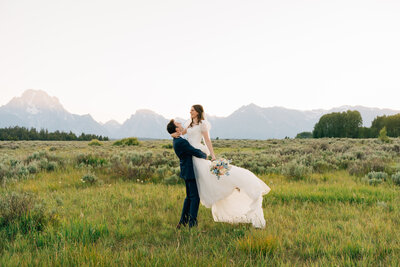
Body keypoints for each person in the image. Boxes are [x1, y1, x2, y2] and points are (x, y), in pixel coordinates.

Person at [171, 105, 271, 228]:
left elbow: (207, 140)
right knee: (192, 194)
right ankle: (188, 222)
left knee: (205, 185)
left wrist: (212, 155)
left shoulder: (202, 124)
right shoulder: (189, 124)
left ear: (197, 112)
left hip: (198, 155)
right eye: (190, 110)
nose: (190, 111)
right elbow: (181, 133)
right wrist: (173, 134)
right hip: (191, 157)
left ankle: (231, 185)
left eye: (192, 110)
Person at [167, 119, 207, 229]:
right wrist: (205, 156)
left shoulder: (177, 139)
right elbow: (193, 150)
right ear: (176, 128)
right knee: (195, 198)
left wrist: (174, 134)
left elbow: (184, 133)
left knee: (189, 197)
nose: (180, 123)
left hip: (186, 170)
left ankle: (182, 222)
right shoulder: (181, 142)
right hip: (190, 171)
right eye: (178, 123)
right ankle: (192, 225)